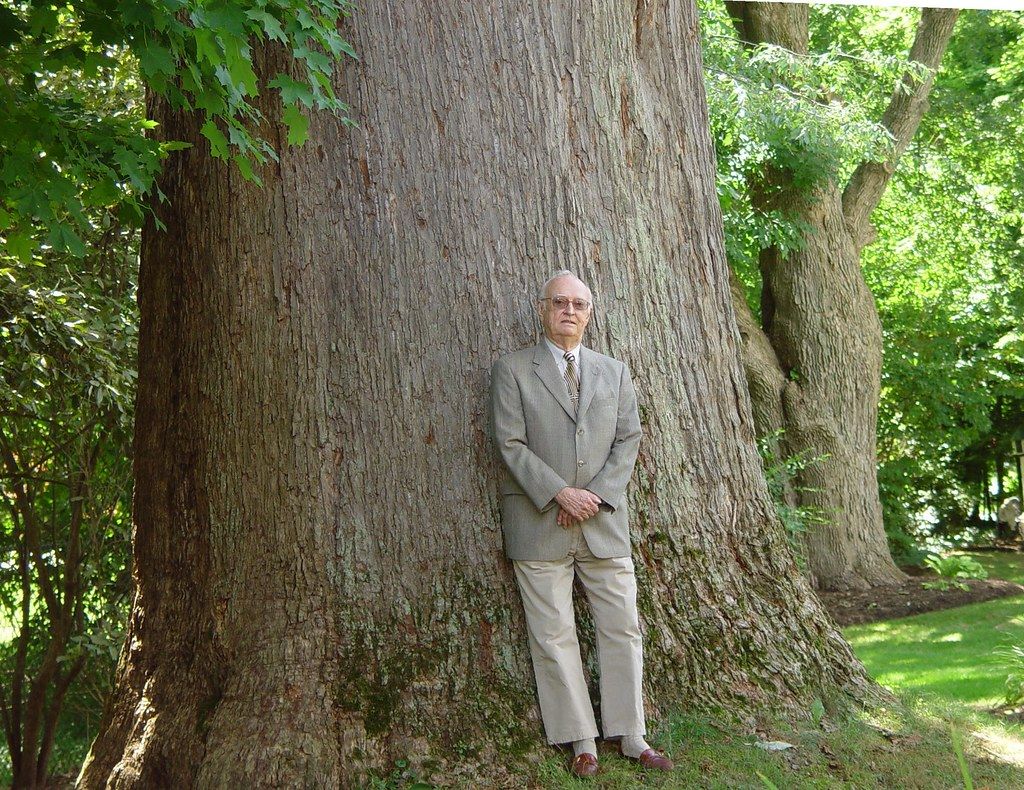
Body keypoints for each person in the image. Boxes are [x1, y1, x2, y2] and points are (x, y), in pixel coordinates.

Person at [490, 270, 673, 778]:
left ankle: (631, 735)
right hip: (538, 519)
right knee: (553, 634)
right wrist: (559, 493)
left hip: (603, 521)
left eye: (579, 304)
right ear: (542, 308)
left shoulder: (613, 371)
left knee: (622, 627)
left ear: (590, 313)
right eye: (560, 302)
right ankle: (582, 740)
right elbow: (508, 443)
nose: (569, 311)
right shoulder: (511, 370)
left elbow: (629, 438)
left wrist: (594, 496)